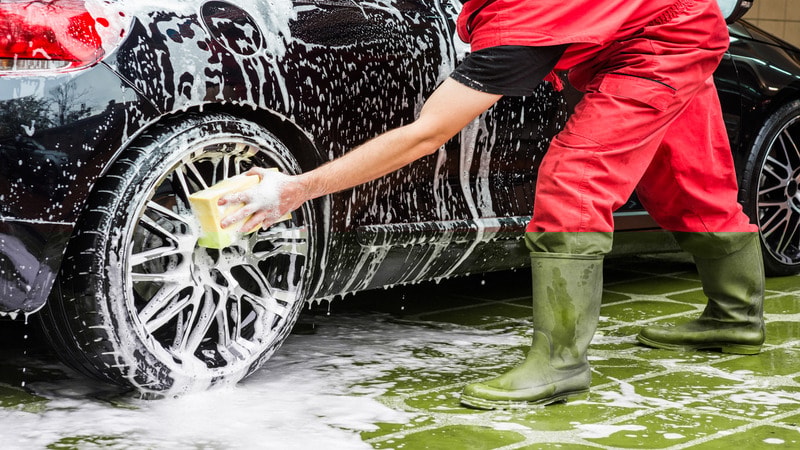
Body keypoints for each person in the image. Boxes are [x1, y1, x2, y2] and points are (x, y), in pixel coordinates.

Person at [219, 0, 765, 410]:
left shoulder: (520, 26)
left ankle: (559, 364)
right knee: (693, 181)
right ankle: (737, 320)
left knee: (574, 179)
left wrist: (296, 188)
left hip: (663, 42)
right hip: (657, 25)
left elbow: (424, 135)